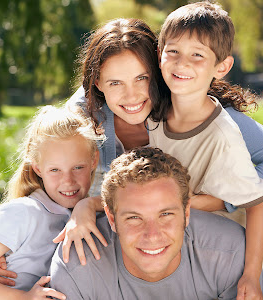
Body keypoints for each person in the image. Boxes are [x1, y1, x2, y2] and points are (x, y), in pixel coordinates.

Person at [53, 16, 263, 266]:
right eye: (115, 82)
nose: (131, 96)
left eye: (142, 78)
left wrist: (216, 201)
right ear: (98, 83)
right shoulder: (83, 113)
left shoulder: (196, 112)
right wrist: (12, 241)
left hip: (202, 239)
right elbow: (40, 170)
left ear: (161, 70)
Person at [147, 2, 263, 298]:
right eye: (173, 51)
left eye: (197, 55)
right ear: (159, 55)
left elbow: (257, 203)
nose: (181, 63)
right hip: (175, 242)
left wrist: (251, 275)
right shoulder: (153, 116)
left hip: (218, 254)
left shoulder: (222, 135)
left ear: (221, 67)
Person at [49, 147, 263, 299]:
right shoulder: (77, 267)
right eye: (134, 218)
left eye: (166, 214)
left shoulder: (230, 253)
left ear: (186, 213)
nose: (152, 235)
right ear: (112, 219)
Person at [0, 105, 103, 299]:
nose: (68, 181)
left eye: (78, 167)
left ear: (94, 159)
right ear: (37, 167)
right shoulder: (24, 212)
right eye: (55, 170)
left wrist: (91, 204)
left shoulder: (85, 213)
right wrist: (23, 298)